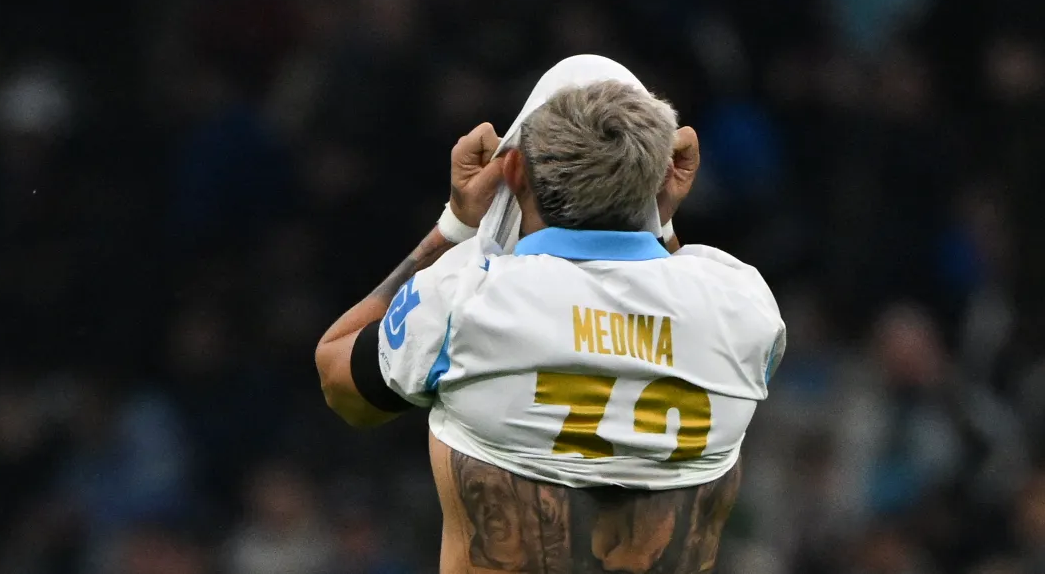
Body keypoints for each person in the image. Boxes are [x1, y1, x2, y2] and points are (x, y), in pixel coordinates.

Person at [315, 56, 785, 573]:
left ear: (514, 171)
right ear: (662, 176)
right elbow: (687, 310)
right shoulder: (743, 306)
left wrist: (453, 227)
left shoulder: (466, 296)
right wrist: (660, 219)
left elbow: (338, 378)